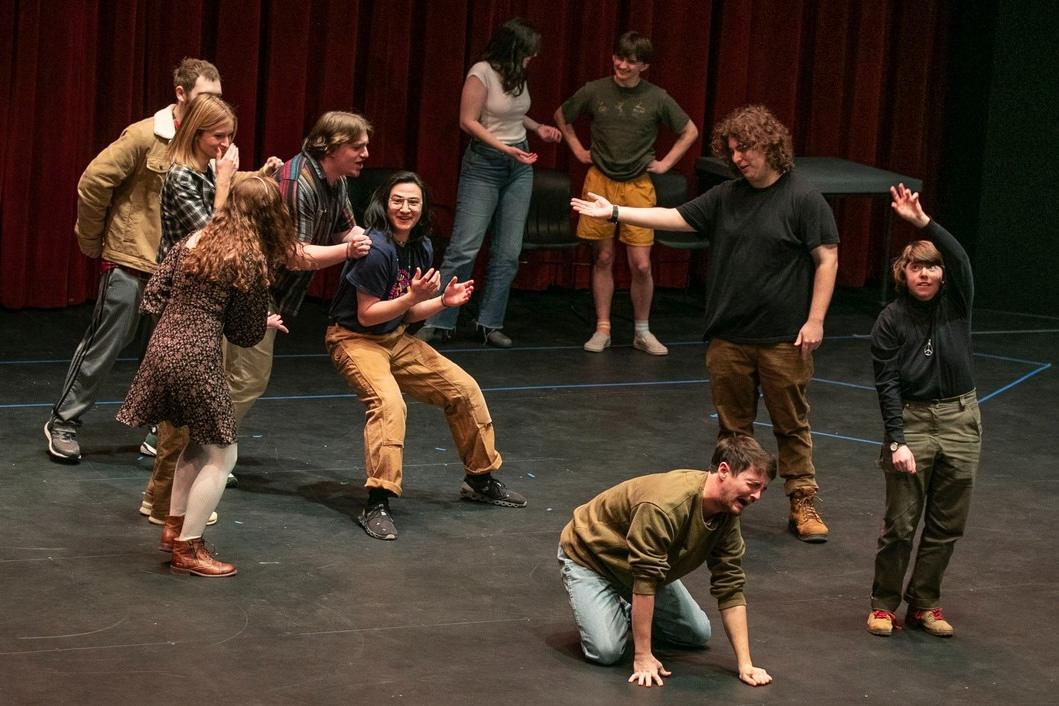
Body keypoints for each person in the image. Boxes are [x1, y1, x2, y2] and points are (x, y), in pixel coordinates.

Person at [572, 104, 839, 543]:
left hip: (782, 337)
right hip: (729, 334)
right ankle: (729, 501)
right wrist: (616, 212)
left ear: (771, 146)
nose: (738, 159)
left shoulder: (803, 198)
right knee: (733, 429)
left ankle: (802, 501)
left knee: (791, 424)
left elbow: (826, 257)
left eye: (746, 150)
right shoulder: (727, 195)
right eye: (732, 151)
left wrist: (815, 320)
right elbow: (676, 217)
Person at [138, 105, 364, 527]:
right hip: (201, 313)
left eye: (230, 136)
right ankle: (172, 510)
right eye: (218, 136)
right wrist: (227, 181)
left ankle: (172, 509)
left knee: (213, 408)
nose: (226, 146)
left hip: (224, 307)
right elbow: (214, 238)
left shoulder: (208, 171)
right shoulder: (185, 177)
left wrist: (251, 174)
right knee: (201, 423)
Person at [325, 171, 527, 541]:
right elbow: (368, 314)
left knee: (463, 389)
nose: (405, 208)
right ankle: (377, 501)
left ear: (423, 208)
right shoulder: (376, 249)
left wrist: (440, 303)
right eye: (397, 200)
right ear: (384, 204)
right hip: (354, 339)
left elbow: (406, 311)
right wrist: (413, 299)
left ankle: (479, 480)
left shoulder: (422, 247)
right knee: (389, 405)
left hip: (394, 337)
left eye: (413, 202)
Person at [116, 177, 296, 576]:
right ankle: (189, 548)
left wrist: (188, 313)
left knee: (197, 443)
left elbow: (153, 297)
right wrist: (261, 323)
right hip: (196, 355)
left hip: (162, 348)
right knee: (223, 453)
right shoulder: (247, 258)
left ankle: (174, 528)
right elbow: (244, 334)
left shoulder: (194, 240)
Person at [44, 58, 222, 463]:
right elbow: (93, 180)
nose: (212, 105)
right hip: (131, 257)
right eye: (205, 97)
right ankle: (64, 422)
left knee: (164, 353)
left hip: (176, 269)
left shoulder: (207, 144)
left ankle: (159, 433)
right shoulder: (146, 135)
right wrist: (91, 239)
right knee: (107, 343)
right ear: (181, 93)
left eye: (218, 99)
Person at [558, 434, 774, 688]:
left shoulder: (727, 515)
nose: (757, 496)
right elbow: (646, 579)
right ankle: (615, 602)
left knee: (696, 633)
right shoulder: (666, 505)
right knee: (606, 652)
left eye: (763, 489)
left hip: (638, 566)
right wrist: (643, 656)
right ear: (724, 471)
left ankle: (627, 607)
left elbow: (730, 585)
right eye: (752, 485)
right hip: (592, 558)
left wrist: (745, 664)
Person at [866, 184, 981, 638]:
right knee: (900, 523)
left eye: (933, 267)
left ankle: (925, 604)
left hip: (960, 419)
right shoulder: (891, 319)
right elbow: (887, 383)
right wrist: (897, 439)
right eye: (917, 267)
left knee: (947, 524)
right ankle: (883, 604)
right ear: (904, 273)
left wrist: (922, 223)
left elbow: (962, 259)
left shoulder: (957, 304)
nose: (927, 274)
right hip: (913, 421)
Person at [417, 18, 561, 348]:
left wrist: (538, 128)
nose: (532, 58)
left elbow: (511, 115)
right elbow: (468, 121)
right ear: (513, 50)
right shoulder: (481, 72)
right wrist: (503, 147)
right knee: (465, 246)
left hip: (519, 165)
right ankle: (439, 319)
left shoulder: (517, 75)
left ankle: (489, 322)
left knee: (508, 252)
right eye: (528, 53)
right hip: (485, 163)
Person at [555, 31, 699, 356]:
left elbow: (690, 130)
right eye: (619, 58)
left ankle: (642, 330)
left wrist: (665, 164)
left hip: (637, 185)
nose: (622, 65)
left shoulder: (657, 97)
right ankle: (603, 327)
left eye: (630, 61)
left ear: (643, 66)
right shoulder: (595, 90)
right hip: (600, 181)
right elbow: (563, 115)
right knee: (603, 256)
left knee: (642, 265)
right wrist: (578, 149)